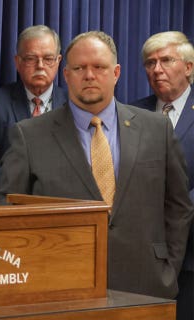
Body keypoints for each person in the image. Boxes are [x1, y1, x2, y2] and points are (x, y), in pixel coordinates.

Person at [0, 31, 193, 299]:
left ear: (116, 73)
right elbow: (8, 214)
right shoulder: (29, 135)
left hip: (148, 284)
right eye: (79, 68)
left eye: (99, 67)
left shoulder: (157, 129)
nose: (89, 75)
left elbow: (178, 206)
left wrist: (168, 267)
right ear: (66, 75)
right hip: (60, 286)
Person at [130, 31, 194, 319]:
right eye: (149, 63)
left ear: (189, 67)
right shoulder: (132, 113)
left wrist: (176, 209)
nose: (157, 70)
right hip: (142, 248)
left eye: (166, 60)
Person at [0, 25, 67, 190]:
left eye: (48, 59)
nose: (40, 65)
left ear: (58, 61)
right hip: (12, 200)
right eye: (31, 58)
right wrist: (22, 193)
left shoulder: (71, 104)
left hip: (61, 201)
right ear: (18, 62)